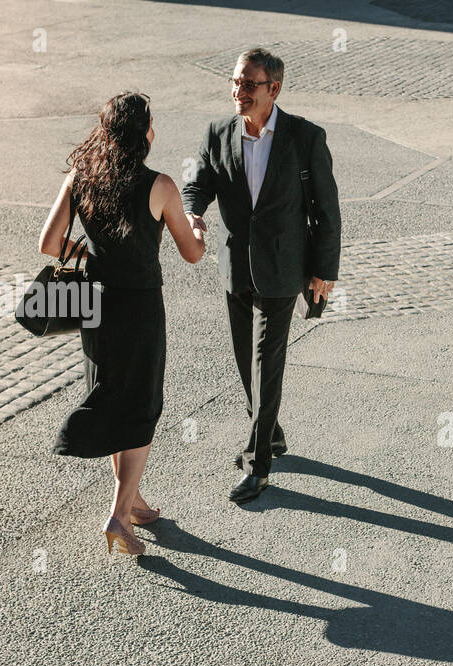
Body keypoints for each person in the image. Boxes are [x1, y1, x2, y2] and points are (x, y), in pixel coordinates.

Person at [39, 92, 206, 556]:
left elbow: (50, 243)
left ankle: (132, 503)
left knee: (113, 397)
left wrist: (91, 257)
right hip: (139, 308)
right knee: (141, 407)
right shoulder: (161, 185)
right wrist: (196, 227)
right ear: (144, 132)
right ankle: (118, 513)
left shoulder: (82, 177)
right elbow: (191, 254)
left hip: (95, 304)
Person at [182, 48, 341, 504]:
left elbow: (326, 211)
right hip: (235, 266)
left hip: (282, 267)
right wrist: (193, 214)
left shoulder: (304, 138)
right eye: (235, 82)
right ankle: (270, 433)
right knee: (243, 361)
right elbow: (198, 183)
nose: (238, 92)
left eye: (248, 84)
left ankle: (259, 464)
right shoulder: (218, 132)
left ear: (274, 89)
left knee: (267, 363)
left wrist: (323, 272)